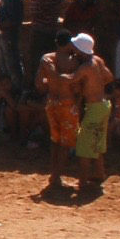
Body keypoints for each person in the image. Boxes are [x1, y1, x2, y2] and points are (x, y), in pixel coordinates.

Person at [25, 0, 92, 86]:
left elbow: (33, 13)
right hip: (51, 32)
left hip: (38, 32)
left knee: (36, 62)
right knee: (53, 62)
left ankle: (36, 87)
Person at [36, 37, 83, 194]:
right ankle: (57, 176)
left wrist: (51, 82)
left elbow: (39, 84)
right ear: (69, 43)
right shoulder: (73, 62)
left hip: (52, 102)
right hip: (67, 104)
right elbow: (77, 87)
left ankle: (53, 174)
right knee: (66, 142)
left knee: (55, 139)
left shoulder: (46, 59)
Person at [72, 34, 114, 190]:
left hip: (94, 108)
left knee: (83, 145)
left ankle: (82, 181)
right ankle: (99, 173)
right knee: (97, 142)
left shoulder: (85, 67)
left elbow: (71, 80)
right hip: (103, 105)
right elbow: (109, 77)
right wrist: (96, 84)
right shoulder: (98, 61)